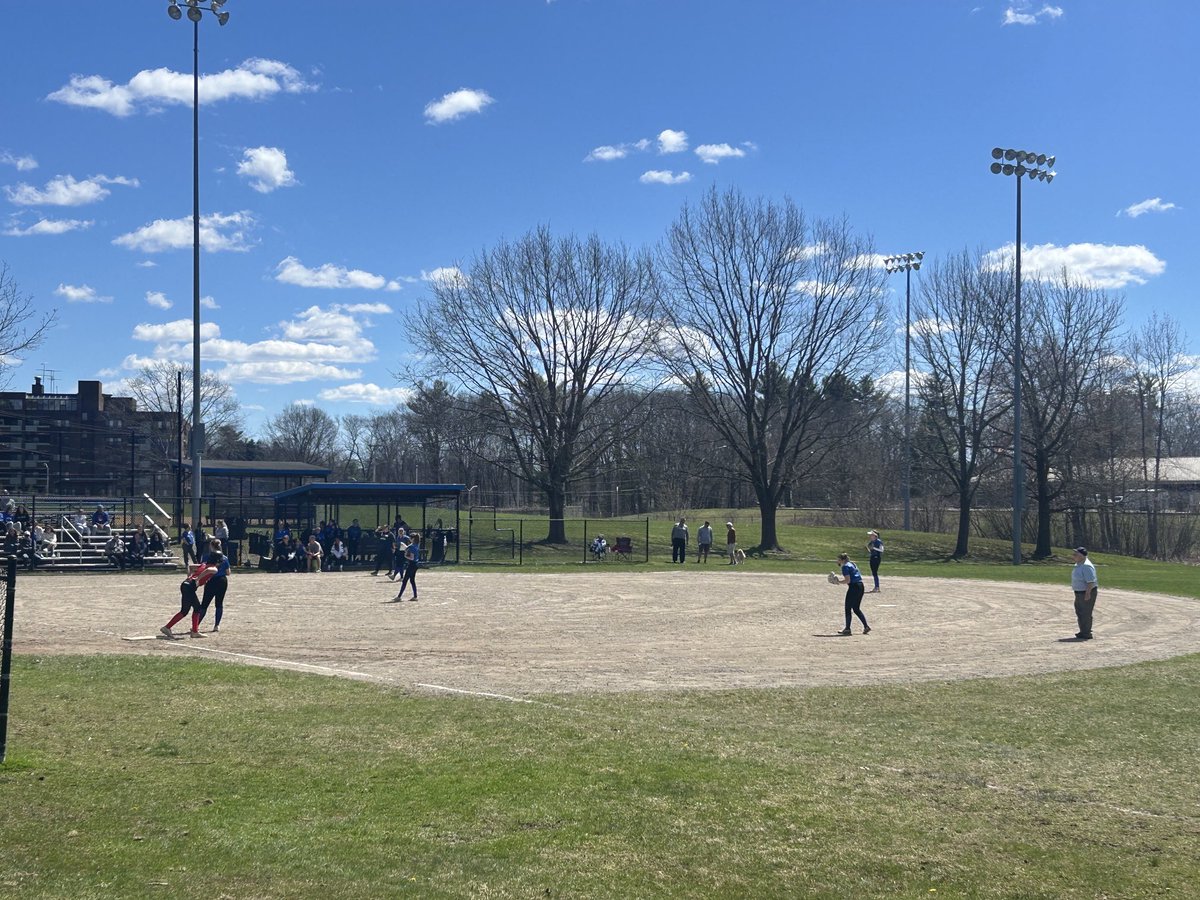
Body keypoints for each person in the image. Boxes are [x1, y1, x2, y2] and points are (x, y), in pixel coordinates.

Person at [161, 559, 218, 638]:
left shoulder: (203, 564)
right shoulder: (214, 569)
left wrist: (189, 576)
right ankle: (194, 631)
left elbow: (190, 566)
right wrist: (198, 578)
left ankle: (168, 627)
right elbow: (208, 570)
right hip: (190, 587)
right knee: (196, 608)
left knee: (186, 610)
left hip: (185, 584)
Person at [835, 552, 870, 636]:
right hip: (860, 586)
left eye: (838, 559)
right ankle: (866, 626)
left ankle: (847, 629)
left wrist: (838, 582)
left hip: (854, 587)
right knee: (856, 608)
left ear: (842, 560)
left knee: (848, 608)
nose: (837, 561)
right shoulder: (852, 564)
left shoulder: (845, 567)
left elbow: (848, 580)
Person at [197, 551, 231, 632]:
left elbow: (202, 569)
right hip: (222, 581)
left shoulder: (206, 556)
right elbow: (228, 572)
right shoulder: (225, 558)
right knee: (219, 603)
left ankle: (196, 625)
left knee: (204, 604)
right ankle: (217, 625)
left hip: (211, 580)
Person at [1071, 547, 1098, 640]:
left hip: (1086, 592)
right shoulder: (1079, 564)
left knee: (1085, 612)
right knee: (1079, 611)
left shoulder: (1086, 566)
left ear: (1082, 556)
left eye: (1076, 554)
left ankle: (1087, 633)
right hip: (1079, 592)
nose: (1073, 556)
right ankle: (1083, 631)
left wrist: (1088, 593)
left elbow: (1090, 582)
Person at [392, 532, 421, 601]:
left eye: (411, 538)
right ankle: (415, 596)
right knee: (412, 580)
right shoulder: (416, 545)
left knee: (405, 581)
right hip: (415, 565)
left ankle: (399, 597)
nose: (410, 539)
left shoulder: (412, 547)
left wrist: (405, 555)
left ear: (413, 539)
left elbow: (411, 558)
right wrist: (406, 548)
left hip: (411, 565)